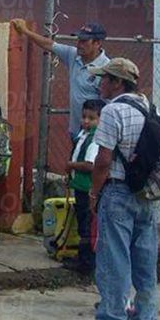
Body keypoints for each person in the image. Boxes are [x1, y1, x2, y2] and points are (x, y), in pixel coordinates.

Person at [73, 57, 157, 320]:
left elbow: (103, 159)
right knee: (145, 260)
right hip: (145, 193)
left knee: (113, 260)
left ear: (118, 82)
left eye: (105, 78)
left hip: (118, 191)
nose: (100, 83)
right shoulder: (147, 106)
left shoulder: (112, 111)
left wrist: (95, 194)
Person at [12, 18, 111, 138]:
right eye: (79, 40)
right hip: (77, 130)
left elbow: (109, 106)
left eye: (84, 41)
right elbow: (48, 44)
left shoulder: (107, 68)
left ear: (97, 43)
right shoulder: (74, 55)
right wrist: (26, 31)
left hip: (95, 134)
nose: (79, 44)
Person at [62, 99, 105, 276]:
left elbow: (90, 165)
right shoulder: (83, 135)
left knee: (86, 225)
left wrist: (71, 165)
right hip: (79, 186)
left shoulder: (96, 139)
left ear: (101, 120)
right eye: (84, 117)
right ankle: (82, 257)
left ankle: (87, 261)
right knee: (82, 223)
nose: (86, 121)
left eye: (92, 118)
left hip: (87, 188)